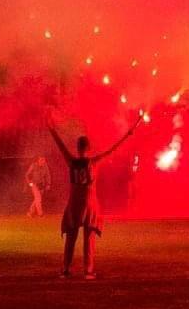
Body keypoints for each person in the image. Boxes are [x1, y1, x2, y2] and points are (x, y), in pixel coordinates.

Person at [49, 118, 141, 279]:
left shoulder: (71, 161)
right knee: (89, 239)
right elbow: (114, 149)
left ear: (78, 148)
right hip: (90, 203)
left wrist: (51, 129)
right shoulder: (94, 162)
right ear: (89, 148)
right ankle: (88, 271)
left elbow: (60, 146)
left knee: (71, 238)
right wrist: (128, 135)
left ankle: (66, 269)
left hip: (74, 203)